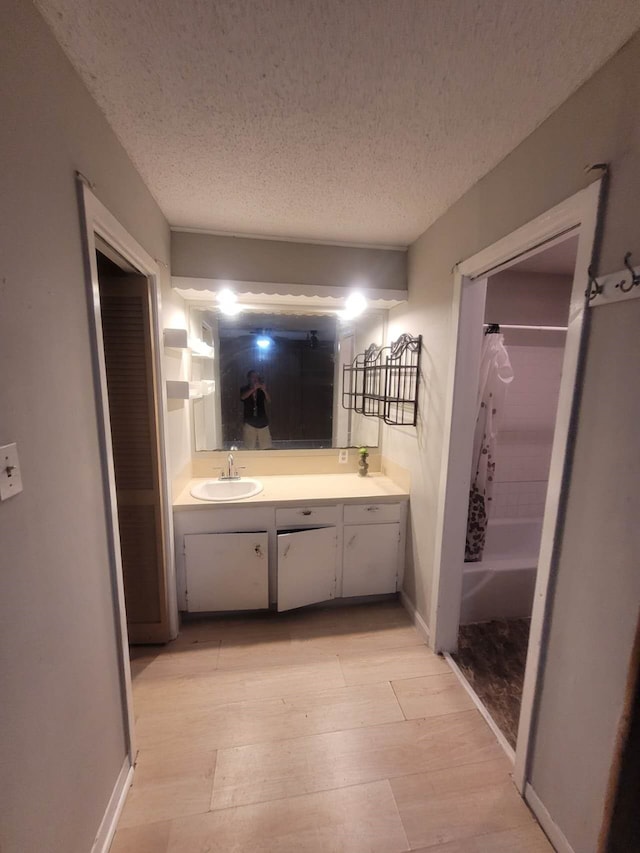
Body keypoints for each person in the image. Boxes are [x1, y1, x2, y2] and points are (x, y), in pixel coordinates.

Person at [240, 370, 272, 449]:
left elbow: (269, 401)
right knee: (249, 447)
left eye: (256, 377)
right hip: (249, 421)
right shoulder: (244, 388)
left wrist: (264, 390)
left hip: (262, 421)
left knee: (266, 447)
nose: (255, 379)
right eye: (253, 377)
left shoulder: (261, 390)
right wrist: (253, 389)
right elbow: (243, 397)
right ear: (249, 378)